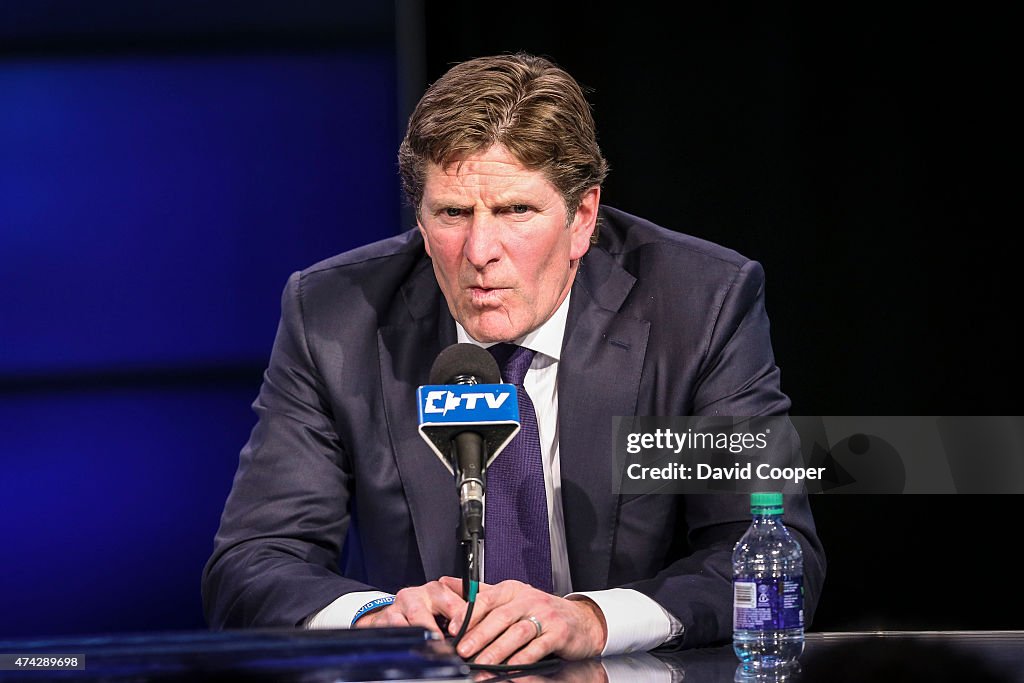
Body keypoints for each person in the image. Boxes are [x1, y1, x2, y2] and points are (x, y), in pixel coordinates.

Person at [202, 52, 826, 666]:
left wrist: (593, 618)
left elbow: (769, 551)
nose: (479, 250)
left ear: (582, 217)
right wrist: (375, 616)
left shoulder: (697, 307)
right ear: (420, 222)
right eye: (451, 213)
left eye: (514, 211)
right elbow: (252, 562)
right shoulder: (335, 318)